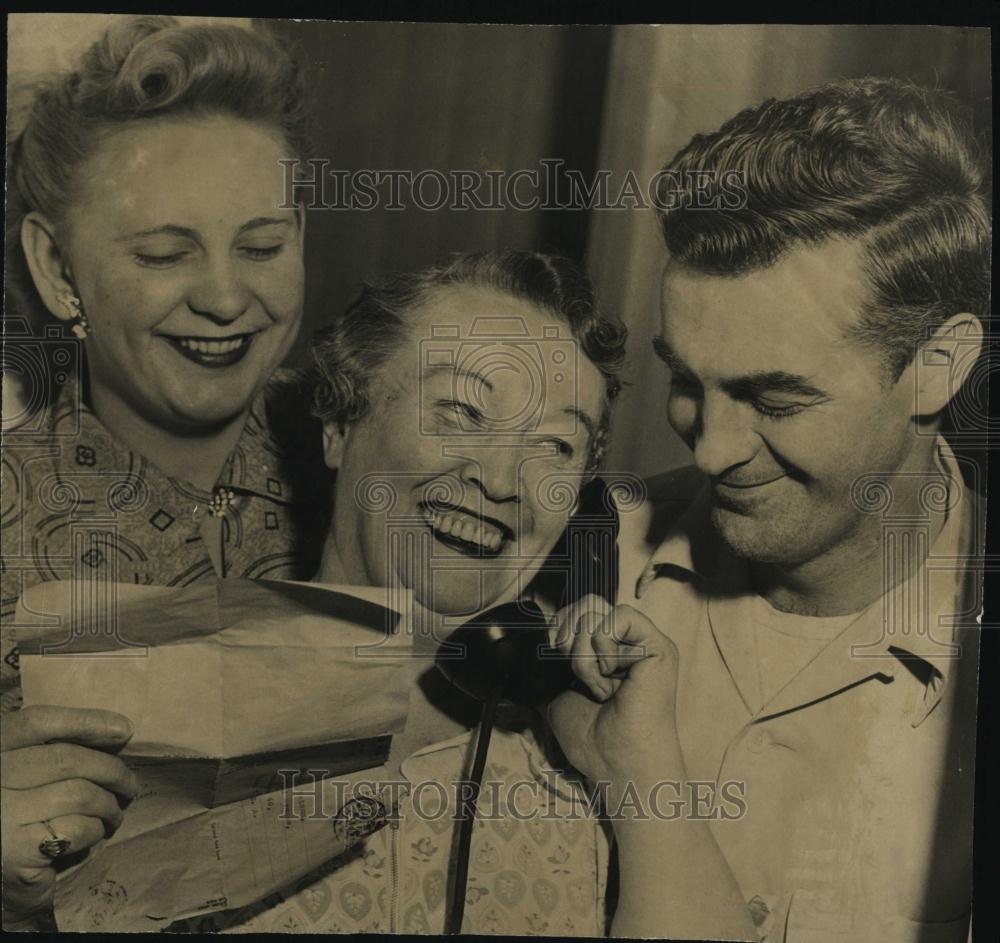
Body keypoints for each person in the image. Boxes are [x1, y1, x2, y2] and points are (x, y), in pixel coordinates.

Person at [173, 251, 753, 938]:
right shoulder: (164, 698)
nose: (503, 479)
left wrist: (631, 764)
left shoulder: (576, 759)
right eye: (462, 413)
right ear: (339, 423)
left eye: (556, 447)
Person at [580, 77, 986, 942]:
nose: (711, 449)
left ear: (938, 365)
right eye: (686, 382)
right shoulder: (579, 553)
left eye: (776, 398)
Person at [1, 15, 327, 927]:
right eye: (164, 253)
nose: (226, 296)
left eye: (262, 246)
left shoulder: (382, 469)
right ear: (58, 268)